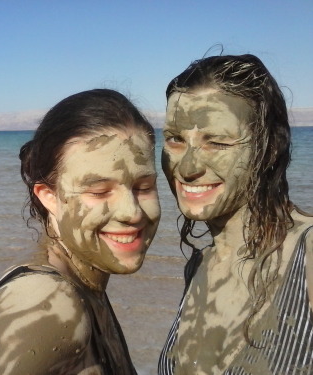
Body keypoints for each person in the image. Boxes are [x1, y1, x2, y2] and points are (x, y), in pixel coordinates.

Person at [0, 88, 161, 374]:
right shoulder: (51, 304)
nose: (132, 212)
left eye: (144, 187)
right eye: (100, 191)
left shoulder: (84, 287)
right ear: (49, 196)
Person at [157, 53, 313, 374]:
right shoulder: (199, 266)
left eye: (216, 142)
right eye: (175, 139)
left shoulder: (307, 253)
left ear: (269, 148)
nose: (187, 167)